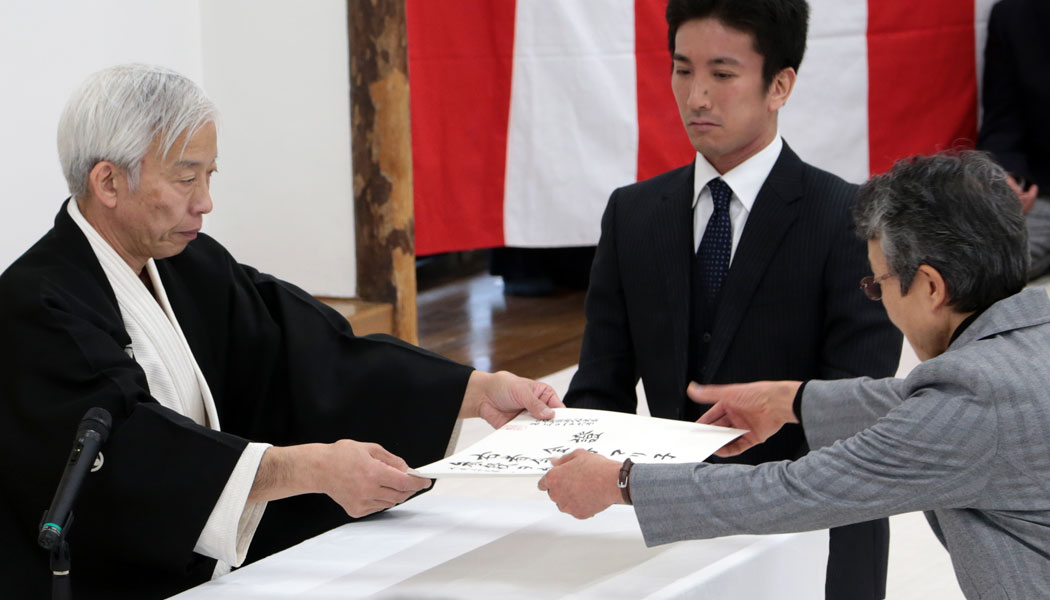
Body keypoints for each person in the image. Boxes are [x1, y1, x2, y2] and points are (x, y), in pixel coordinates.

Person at [0, 64, 563, 600]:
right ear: (108, 181)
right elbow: (132, 458)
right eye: (186, 176)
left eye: (210, 174)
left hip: (201, 569)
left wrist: (476, 391)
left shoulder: (186, 263)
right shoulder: (35, 304)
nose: (205, 201)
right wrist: (309, 468)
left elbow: (313, 355)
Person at [540, 150, 1050, 600]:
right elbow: (911, 400)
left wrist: (623, 482)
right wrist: (791, 401)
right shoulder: (1028, 342)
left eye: (880, 285)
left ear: (932, 287)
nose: (880, 300)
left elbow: (796, 491)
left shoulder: (969, 404)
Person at [563, 1, 901, 597]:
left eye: (722, 74)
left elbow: (857, 409)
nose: (696, 97)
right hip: (670, 539)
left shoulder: (850, 220)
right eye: (682, 69)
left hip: (813, 536)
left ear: (780, 84)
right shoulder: (633, 214)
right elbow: (599, 387)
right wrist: (566, 447)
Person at [977, 0, 1050, 279]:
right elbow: (1003, 122)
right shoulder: (1015, 15)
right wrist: (1006, 177)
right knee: (982, 271)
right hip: (1042, 197)